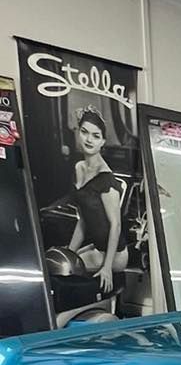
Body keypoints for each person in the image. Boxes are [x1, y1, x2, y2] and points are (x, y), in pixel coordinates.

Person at [67, 107, 128, 295]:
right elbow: (83, 220)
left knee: (63, 270)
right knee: (60, 261)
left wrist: (107, 268)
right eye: (84, 132)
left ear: (102, 142)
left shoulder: (106, 179)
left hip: (115, 255)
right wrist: (69, 252)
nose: (89, 139)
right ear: (78, 132)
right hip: (97, 247)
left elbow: (116, 225)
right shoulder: (79, 167)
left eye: (95, 136)